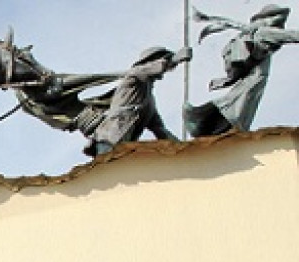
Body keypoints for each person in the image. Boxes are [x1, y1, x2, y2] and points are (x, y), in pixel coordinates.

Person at [185, 5, 299, 137]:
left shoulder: (255, 32)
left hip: (253, 73)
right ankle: (203, 120)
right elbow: (292, 35)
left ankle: (206, 121)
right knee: (242, 100)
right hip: (256, 75)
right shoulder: (266, 32)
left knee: (239, 99)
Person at [84, 46, 191, 156]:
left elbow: (159, 129)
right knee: (106, 164)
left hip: (123, 146)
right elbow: (146, 69)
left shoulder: (149, 101)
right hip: (109, 139)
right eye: (162, 59)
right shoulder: (133, 76)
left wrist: (181, 148)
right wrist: (173, 60)